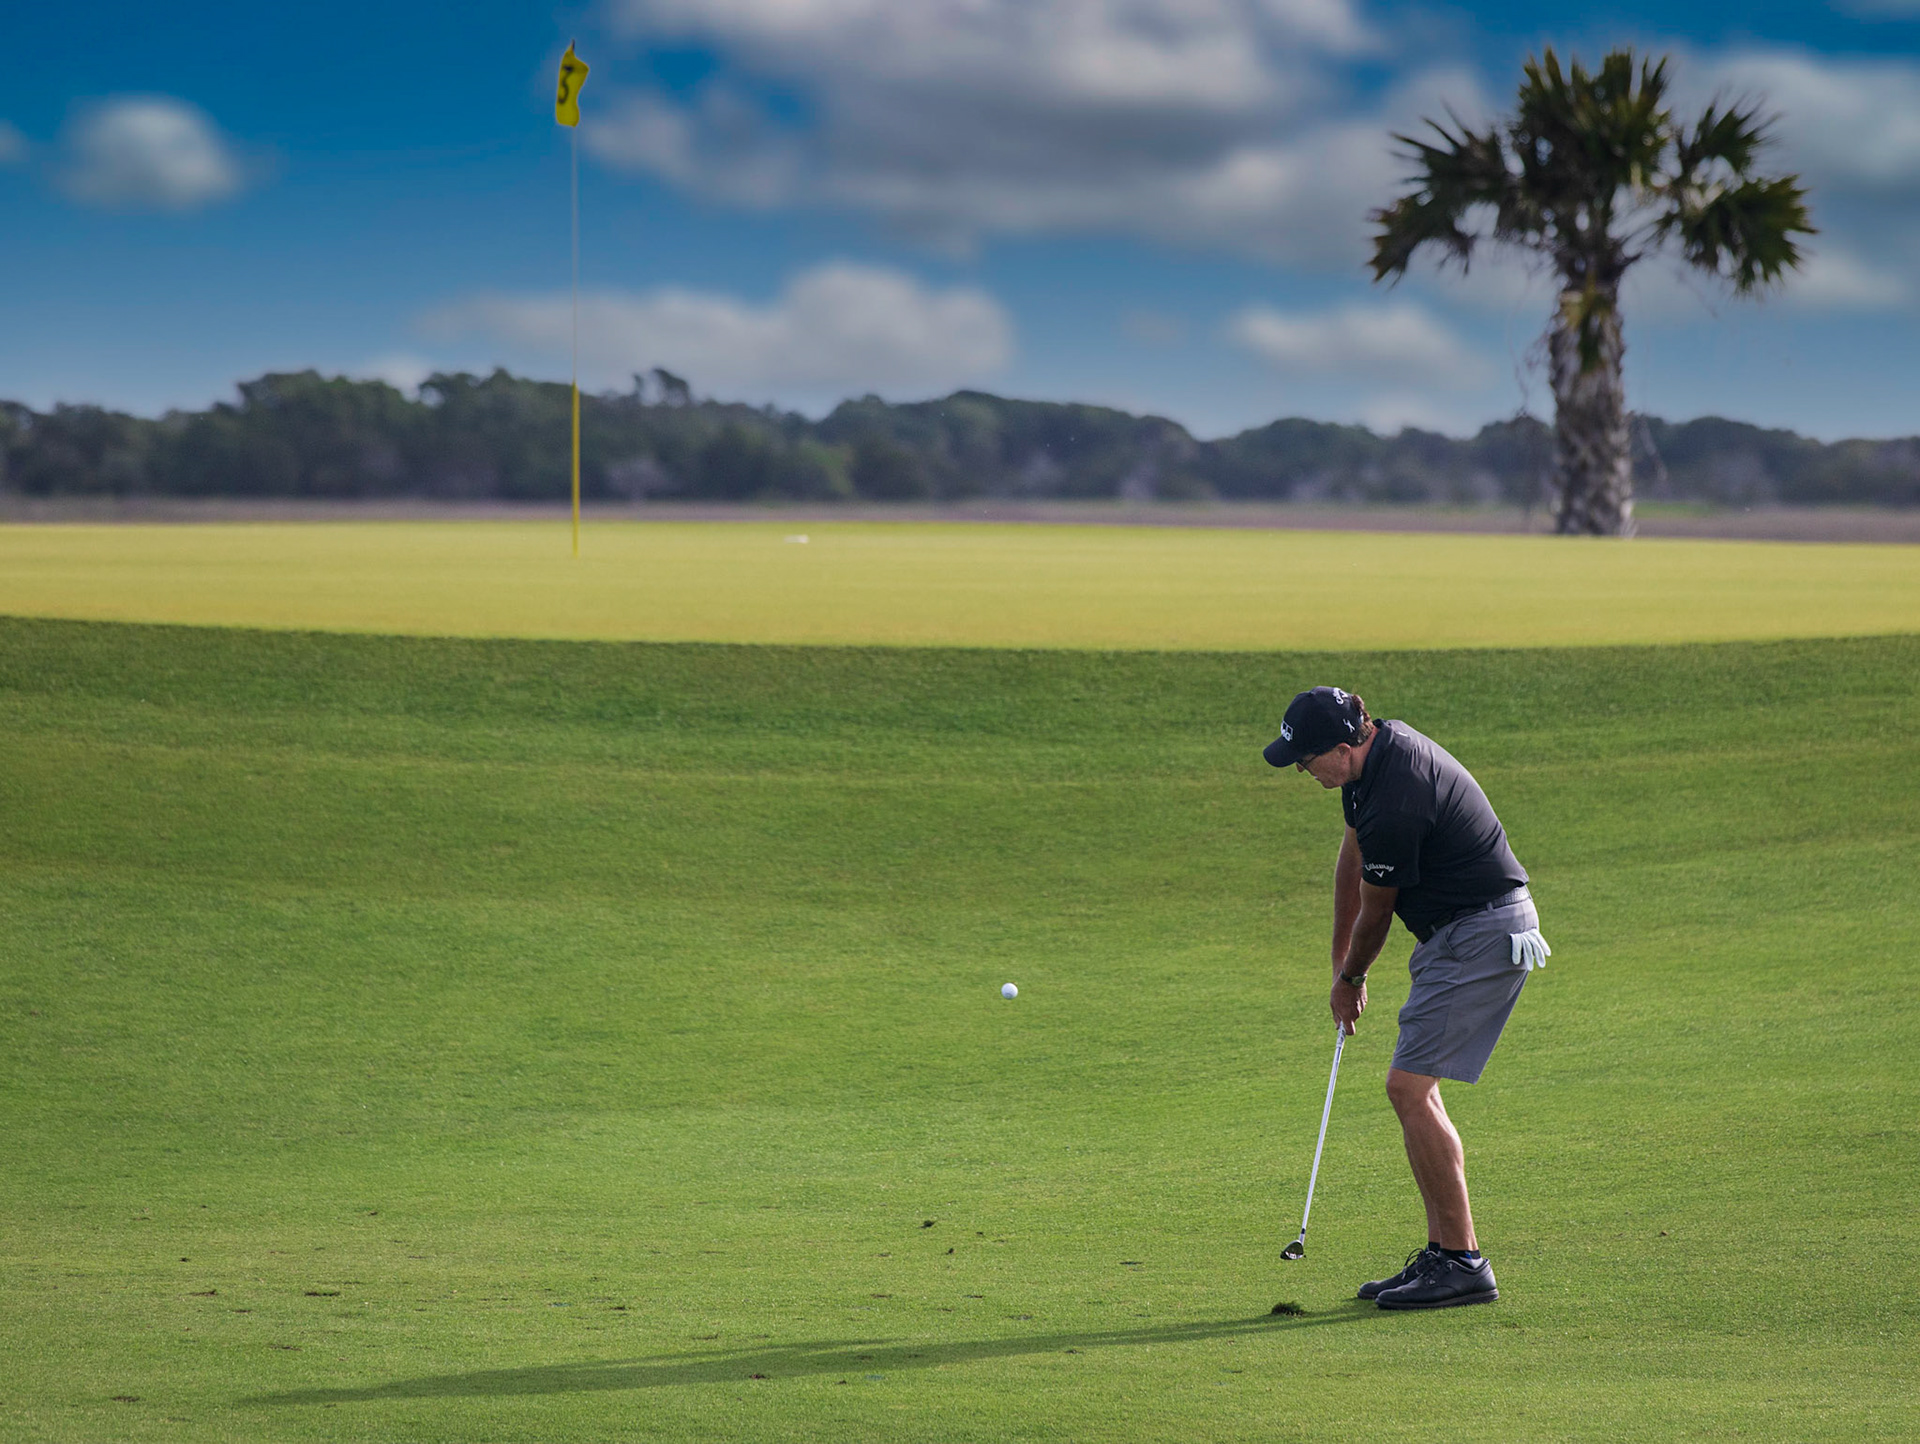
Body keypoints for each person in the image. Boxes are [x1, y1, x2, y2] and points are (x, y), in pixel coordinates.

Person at [1264, 686, 1549, 1310]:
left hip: (1480, 932)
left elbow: (1378, 911)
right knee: (1418, 1088)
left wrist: (1352, 980)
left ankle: (1463, 1262)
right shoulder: (1372, 758)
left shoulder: (1396, 795)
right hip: (1467, 930)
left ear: (1342, 747)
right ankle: (1446, 1255)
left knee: (1407, 1087)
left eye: (1306, 761)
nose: (1303, 773)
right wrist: (1339, 962)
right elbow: (1353, 853)